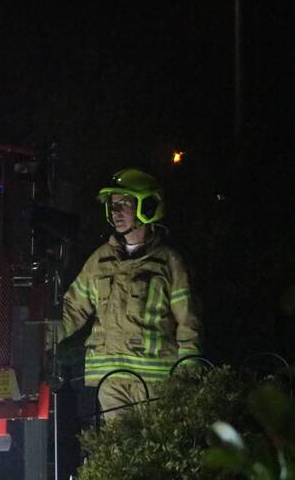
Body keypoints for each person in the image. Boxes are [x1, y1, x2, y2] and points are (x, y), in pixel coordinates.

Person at [54, 168, 203, 421]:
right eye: (113, 205)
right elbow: (72, 310)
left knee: (154, 451)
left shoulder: (168, 262)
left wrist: (188, 370)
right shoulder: (99, 260)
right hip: (110, 380)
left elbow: (188, 320)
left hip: (156, 383)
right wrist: (40, 341)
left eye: (124, 204)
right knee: (118, 451)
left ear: (148, 206)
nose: (116, 212)